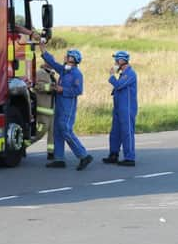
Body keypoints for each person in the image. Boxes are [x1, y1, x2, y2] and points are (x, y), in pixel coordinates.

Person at [39, 41, 93, 170]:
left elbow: (78, 90)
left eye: (67, 56)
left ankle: (83, 155)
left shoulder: (76, 74)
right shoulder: (63, 70)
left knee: (66, 131)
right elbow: (52, 62)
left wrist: (62, 90)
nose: (65, 57)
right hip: (59, 106)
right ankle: (59, 159)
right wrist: (42, 48)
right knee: (57, 131)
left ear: (73, 59)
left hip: (68, 107)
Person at [103, 51, 138, 166]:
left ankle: (130, 158)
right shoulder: (123, 74)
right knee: (115, 132)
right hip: (118, 108)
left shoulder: (130, 73)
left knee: (127, 132)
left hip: (127, 108)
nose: (115, 62)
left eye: (116, 60)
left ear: (122, 61)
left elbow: (119, 85)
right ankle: (114, 154)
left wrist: (112, 76)